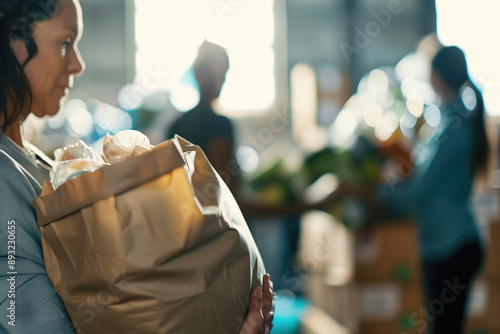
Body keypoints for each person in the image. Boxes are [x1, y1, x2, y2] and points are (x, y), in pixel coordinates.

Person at [0, 1, 273, 333]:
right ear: (11, 40)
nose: (78, 64)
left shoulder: (34, 161)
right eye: (65, 43)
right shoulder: (4, 178)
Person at [337, 46, 488, 334]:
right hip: (444, 244)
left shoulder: (453, 129)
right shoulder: (447, 122)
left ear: (435, 76)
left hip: (452, 246)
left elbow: (418, 192)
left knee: (443, 329)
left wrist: (374, 194)